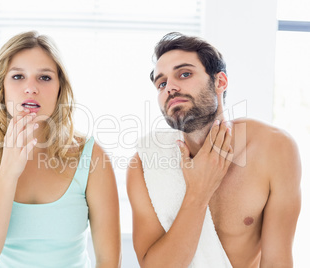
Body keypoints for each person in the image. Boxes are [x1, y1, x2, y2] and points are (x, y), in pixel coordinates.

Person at [127, 32, 301, 267]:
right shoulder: (144, 166)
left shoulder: (274, 149)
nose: (170, 88)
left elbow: (277, 262)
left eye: (184, 74)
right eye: (162, 83)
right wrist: (198, 191)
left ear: (220, 82)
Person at [0, 31, 121, 268]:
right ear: (1, 88)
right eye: (18, 76)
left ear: (59, 89)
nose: (31, 88)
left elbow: (109, 260)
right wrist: (8, 172)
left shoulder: (92, 156)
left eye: (44, 78)